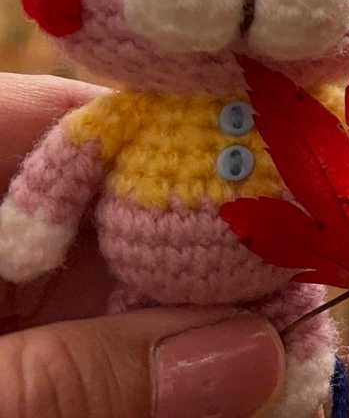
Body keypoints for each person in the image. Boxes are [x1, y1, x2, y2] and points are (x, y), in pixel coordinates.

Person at [0, 73, 286, 418]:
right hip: (144, 298)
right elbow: (72, 156)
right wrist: (36, 219)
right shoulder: (128, 111)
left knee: (299, 364)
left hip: (280, 290)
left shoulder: (295, 111)